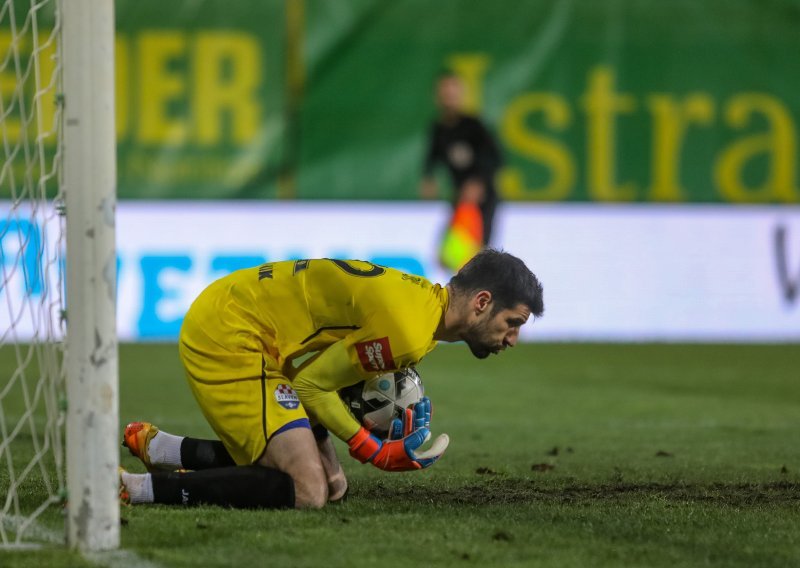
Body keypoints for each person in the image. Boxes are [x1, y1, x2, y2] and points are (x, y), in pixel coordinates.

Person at [120, 249, 544, 510]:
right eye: (513, 322)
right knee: (307, 490)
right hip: (230, 333)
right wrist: (370, 448)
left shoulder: (423, 313)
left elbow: (321, 373)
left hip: (263, 336)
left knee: (334, 486)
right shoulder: (410, 331)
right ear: (482, 302)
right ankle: (137, 488)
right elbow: (311, 387)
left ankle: (162, 447)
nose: (513, 339)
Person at [420, 72, 504, 246]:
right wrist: (428, 177)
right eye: (445, 92)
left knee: (480, 249)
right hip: (460, 199)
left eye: (453, 92)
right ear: (437, 96)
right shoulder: (439, 129)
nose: (449, 97)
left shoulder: (474, 126)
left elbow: (496, 157)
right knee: (454, 251)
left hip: (483, 200)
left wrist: (478, 182)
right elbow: (432, 155)